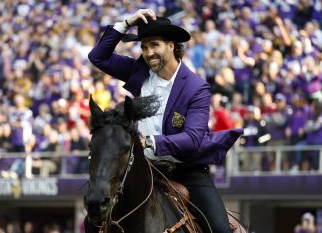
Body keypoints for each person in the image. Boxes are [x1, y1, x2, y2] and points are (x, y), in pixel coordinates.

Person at [87, 9, 243, 233]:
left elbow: (193, 139)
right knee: (92, 222)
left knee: (219, 229)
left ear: (171, 45)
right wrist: (126, 23)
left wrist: (149, 142)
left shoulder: (196, 87)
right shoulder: (138, 70)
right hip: (144, 169)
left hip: (187, 171)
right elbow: (98, 57)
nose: (148, 52)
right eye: (144, 47)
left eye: (154, 45)